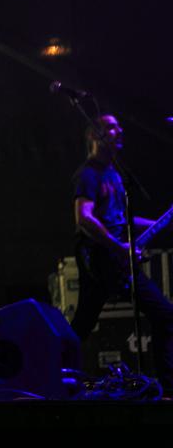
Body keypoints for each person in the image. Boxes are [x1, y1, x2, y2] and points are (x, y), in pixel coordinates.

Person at [70, 114, 173, 387]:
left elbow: (121, 219)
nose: (119, 130)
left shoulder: (115, 174)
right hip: (100, 260)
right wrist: (119, 248)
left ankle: (167, 389)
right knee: (83, 324)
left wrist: (160, 223)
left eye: (119, 126)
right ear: (94, 134)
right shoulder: (88, 174)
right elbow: (84, 218)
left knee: (83, 324)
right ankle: (55, 378)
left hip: (117, 261)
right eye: (111, 127)